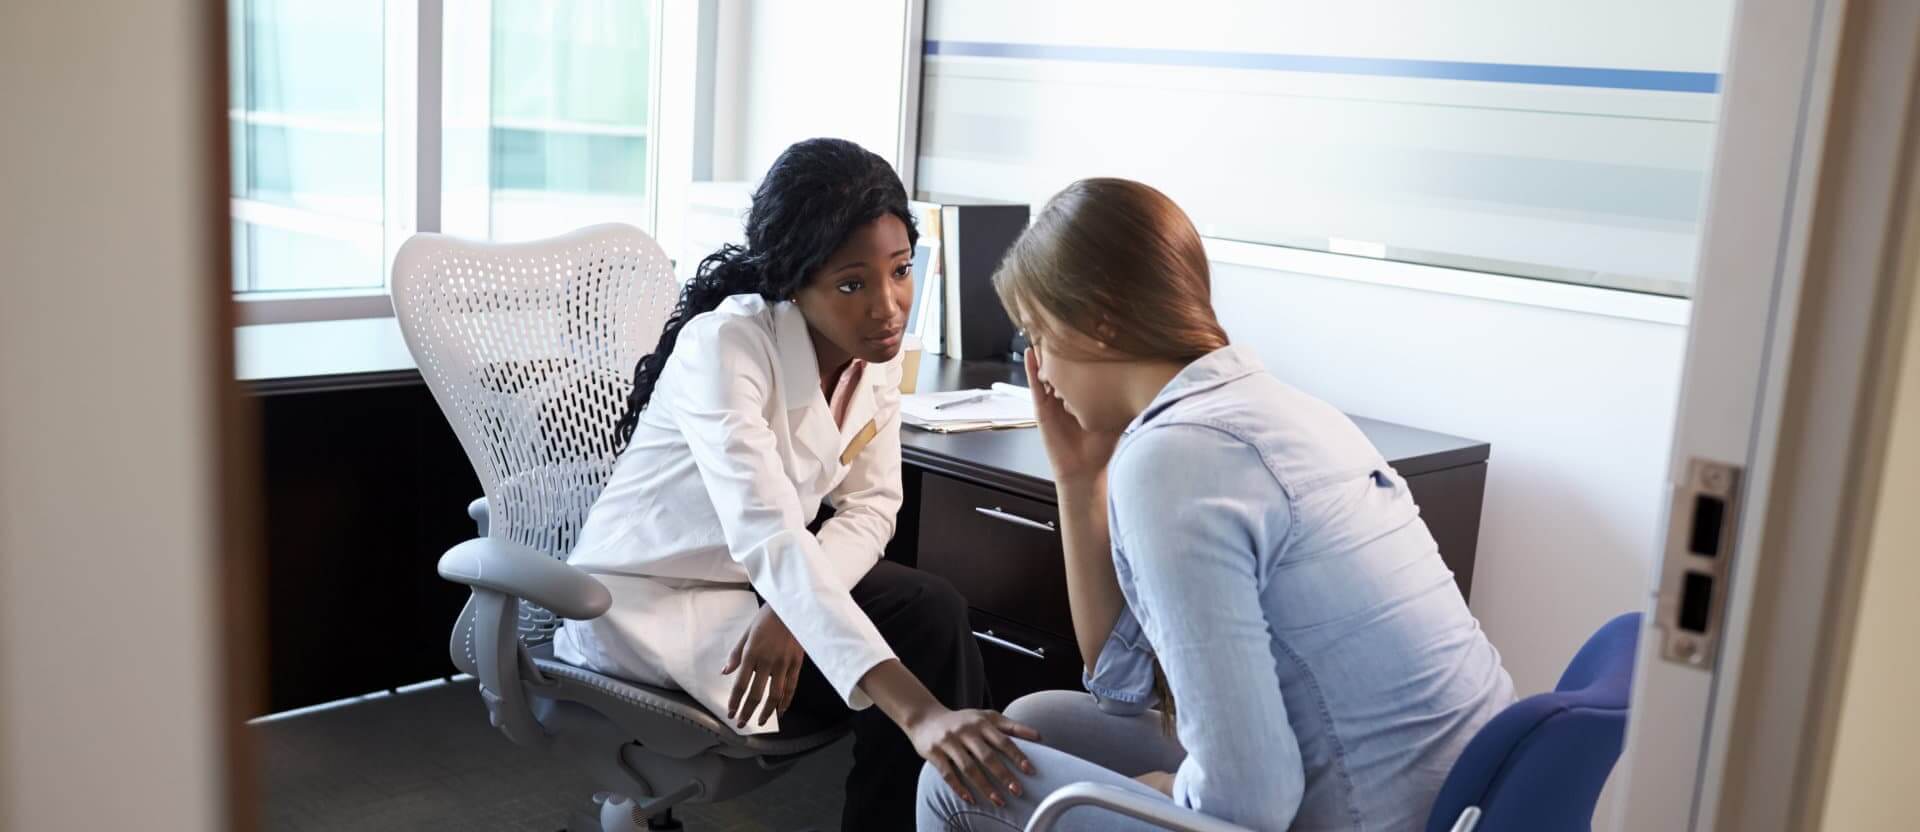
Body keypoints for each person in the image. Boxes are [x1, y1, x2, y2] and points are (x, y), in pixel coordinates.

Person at [916, 178, 1516, 831]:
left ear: (1099, 322)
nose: (1040, 370)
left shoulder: (1173, 459)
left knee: (952, 784)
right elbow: (1120, 684)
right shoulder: (1284, 410)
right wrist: (1079, 478)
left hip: (1360, 817)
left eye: (1038, 334)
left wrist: (1169, 790)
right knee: (1036, 723)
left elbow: (1248, 800)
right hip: (1462, 798)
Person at [555, 138, 1038, 829]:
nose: (889, 307)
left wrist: (788, 612)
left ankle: (935, 812)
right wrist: (919, 713)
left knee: (931, 610)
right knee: (913, 675)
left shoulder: (872, 356)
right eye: (853, 284)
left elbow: (873, 505)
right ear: (792, 283)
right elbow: (772, 534)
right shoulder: (724, 348)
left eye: (901, 270)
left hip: (756, 583)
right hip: (652, 598)